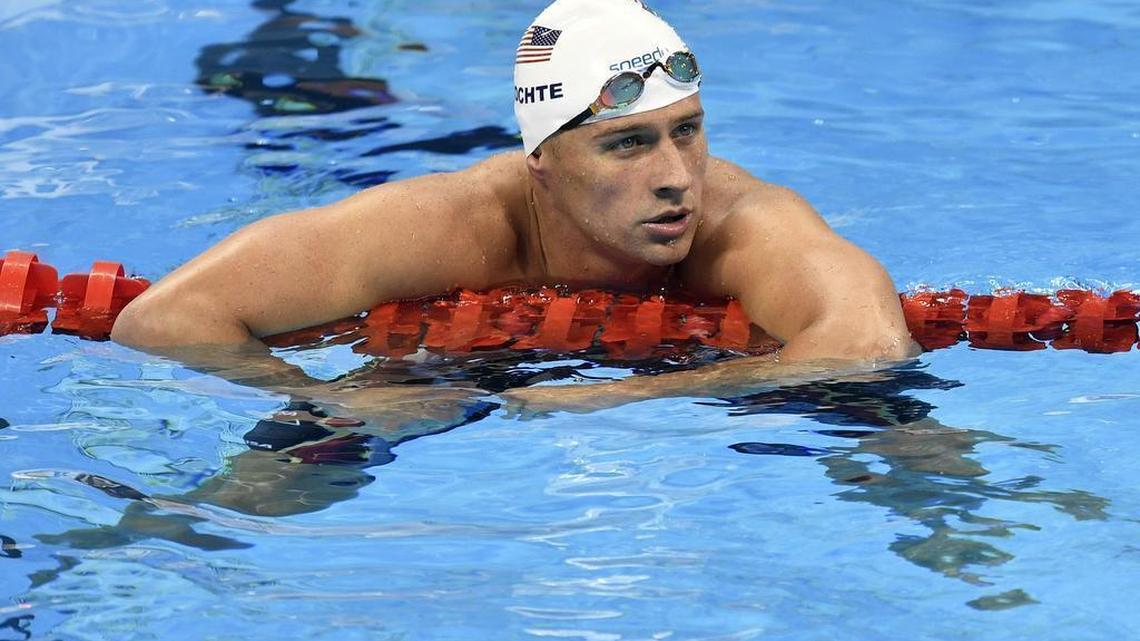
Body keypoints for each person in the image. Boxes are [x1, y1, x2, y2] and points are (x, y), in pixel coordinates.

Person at [111, 0, 917, 420]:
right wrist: (324, 400)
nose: (679, 178)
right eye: (628, 144)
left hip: (658, 382)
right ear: (542, 159)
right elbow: (165, 319)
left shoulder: (743, 222)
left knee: (898, 428)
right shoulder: (449, 224)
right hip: (443, 365)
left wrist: (623, 397)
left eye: (688, 131)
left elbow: (868, 346)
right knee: (317, 448)